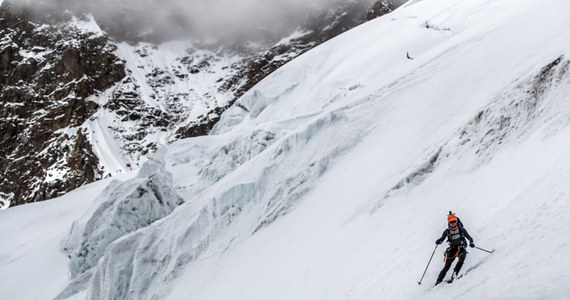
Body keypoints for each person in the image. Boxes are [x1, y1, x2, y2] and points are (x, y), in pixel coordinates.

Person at [434, 212, 475, 285]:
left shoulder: (461, 229)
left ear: (456, 221)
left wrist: (471, 242)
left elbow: (469, 237)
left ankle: (455, 274)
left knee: (462, 256)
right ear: (448, 223)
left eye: (454, 221)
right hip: (452, 249)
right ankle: (438, 282)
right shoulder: (447, 231)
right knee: (446, 266)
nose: (453, 223)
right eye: (451, 222)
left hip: (460, 247)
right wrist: (439, 241)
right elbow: (442, 239)